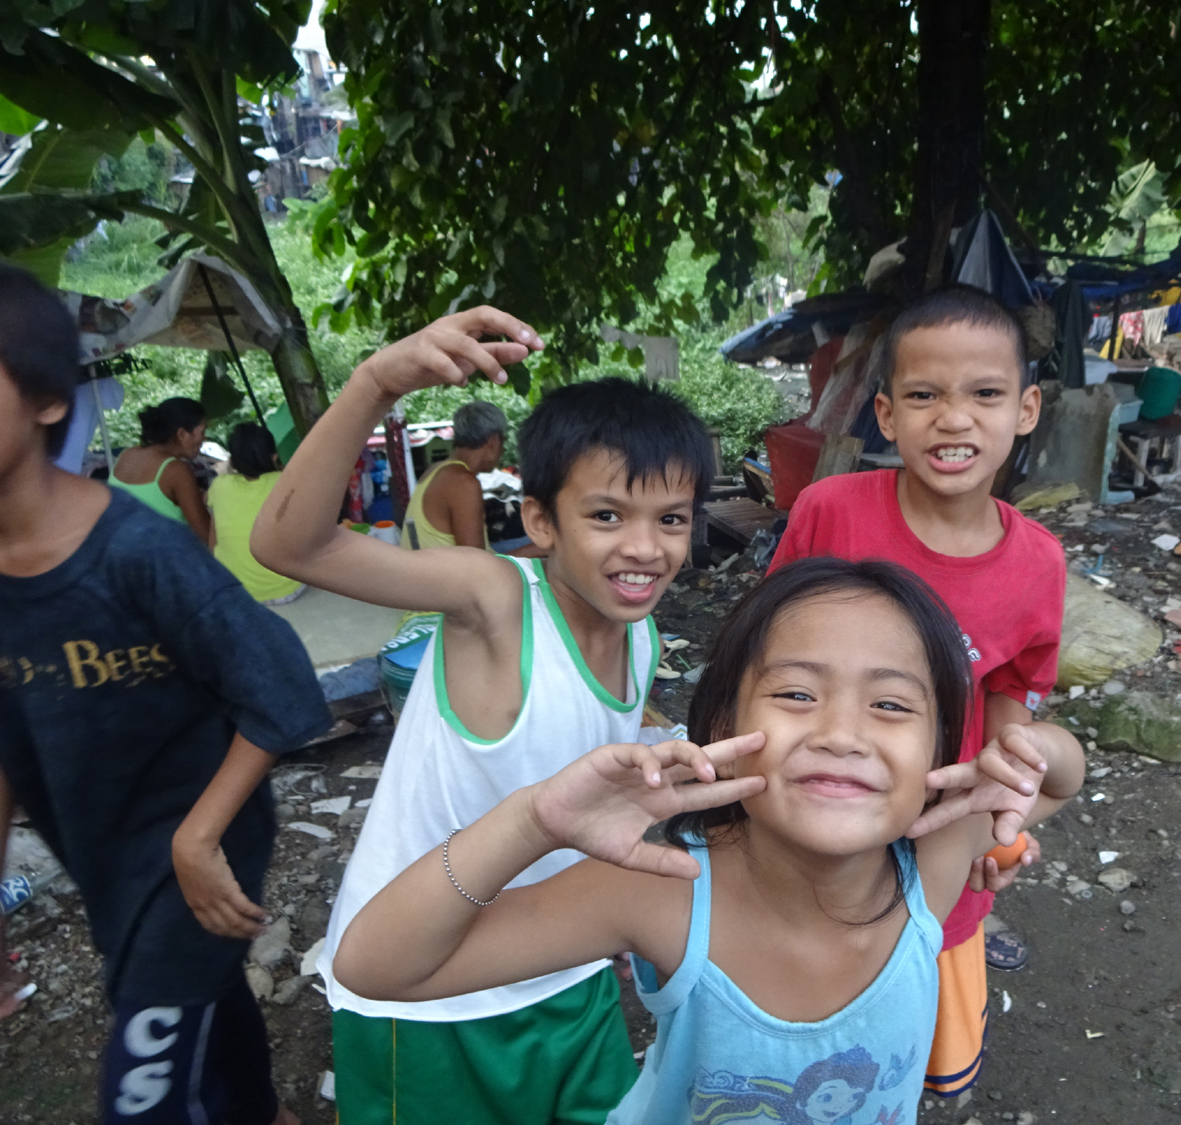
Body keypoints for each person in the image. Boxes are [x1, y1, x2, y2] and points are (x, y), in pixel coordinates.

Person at [331, 557, 1045, 1125]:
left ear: (941, 755)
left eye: (890, 704)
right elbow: (376, 968)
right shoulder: (667, 890)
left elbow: (1056, 776)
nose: (841, 733)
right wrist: (530, 823)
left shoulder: (933, 866)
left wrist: (1037, 752)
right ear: (725, 733)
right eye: (797, 694)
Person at [250, 307, 719, 1125]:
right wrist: (376, 383)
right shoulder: (496, 598)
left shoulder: (640, 632)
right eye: (607, 515)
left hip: (560, 962)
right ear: (540, 521)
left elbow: (599, 745)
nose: (646, 547)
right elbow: (291, 544)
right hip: (426, 990)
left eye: (670, 518)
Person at [0, 263, 329, 1124]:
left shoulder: (139, 554)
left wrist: (198, 834)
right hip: (102, 849)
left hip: (199, 845)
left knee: (142, 1090)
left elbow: (283, 685)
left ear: (47, 400)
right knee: (201, 1000)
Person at [769, 285, 1086, 1099]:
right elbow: (765, 661)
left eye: (985, 394)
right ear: (885, 412)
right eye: (923, 395)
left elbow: (1013, 691)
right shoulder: (829, 513)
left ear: (1026, 409)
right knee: (791, 1033)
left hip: (940, 839)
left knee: (899, 1052)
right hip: (819, 814)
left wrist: (1001, 809)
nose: (953, 419)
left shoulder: (1038, 562)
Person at [206, 423, 305, 604]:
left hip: (237, 591)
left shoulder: (219, 486)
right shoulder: (287, 483)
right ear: (274, 456)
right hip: (287, 589)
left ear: (232, 460)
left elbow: (213, 543)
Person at [404, 400, 507, 550]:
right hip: (453, 566)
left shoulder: (436, 469)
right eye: (503, 441)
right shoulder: (463, 483)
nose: (503, 451)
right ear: (494, 441)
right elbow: (475, 560)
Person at [109, 396, 212, 543]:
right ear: (182, 434)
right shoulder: (176, 470)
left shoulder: (127, 454)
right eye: (202, 432)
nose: (204, 439)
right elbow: (206, 535)